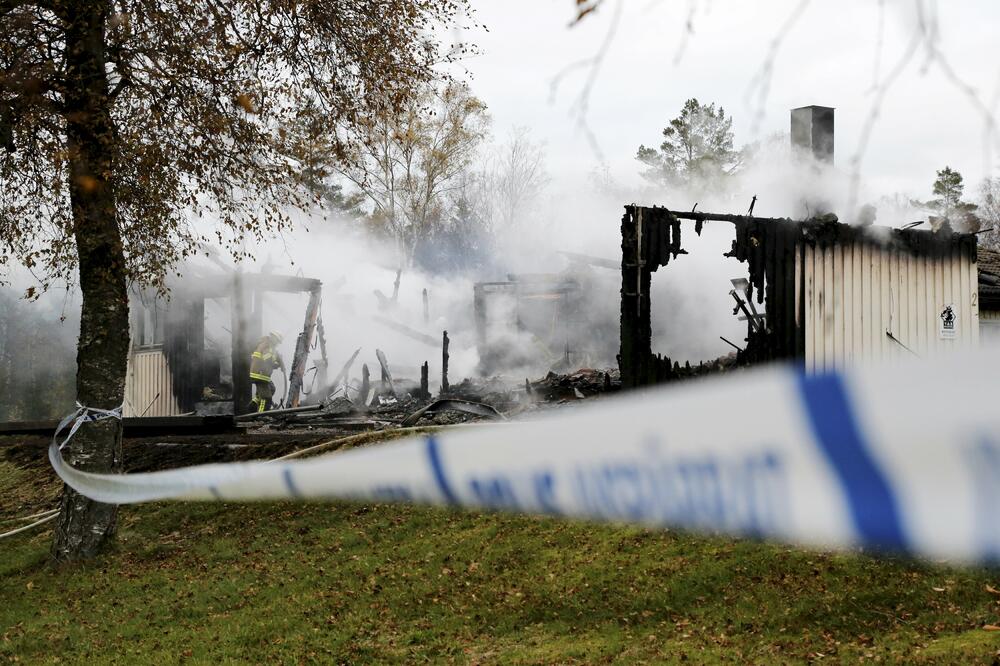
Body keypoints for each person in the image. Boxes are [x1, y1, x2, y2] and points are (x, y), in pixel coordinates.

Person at [248, 331, 285, 413]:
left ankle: (253, 405)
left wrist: (280, 362)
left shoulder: (269, 346)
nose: (277, 344)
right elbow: (268, 361)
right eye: (277, 341)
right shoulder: (266, 345)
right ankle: (261, 416)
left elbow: (274, 357)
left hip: (262, 375)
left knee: (271, 388)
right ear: (273, 338)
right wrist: (277, 365)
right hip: (259, 375)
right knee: (266, 397)